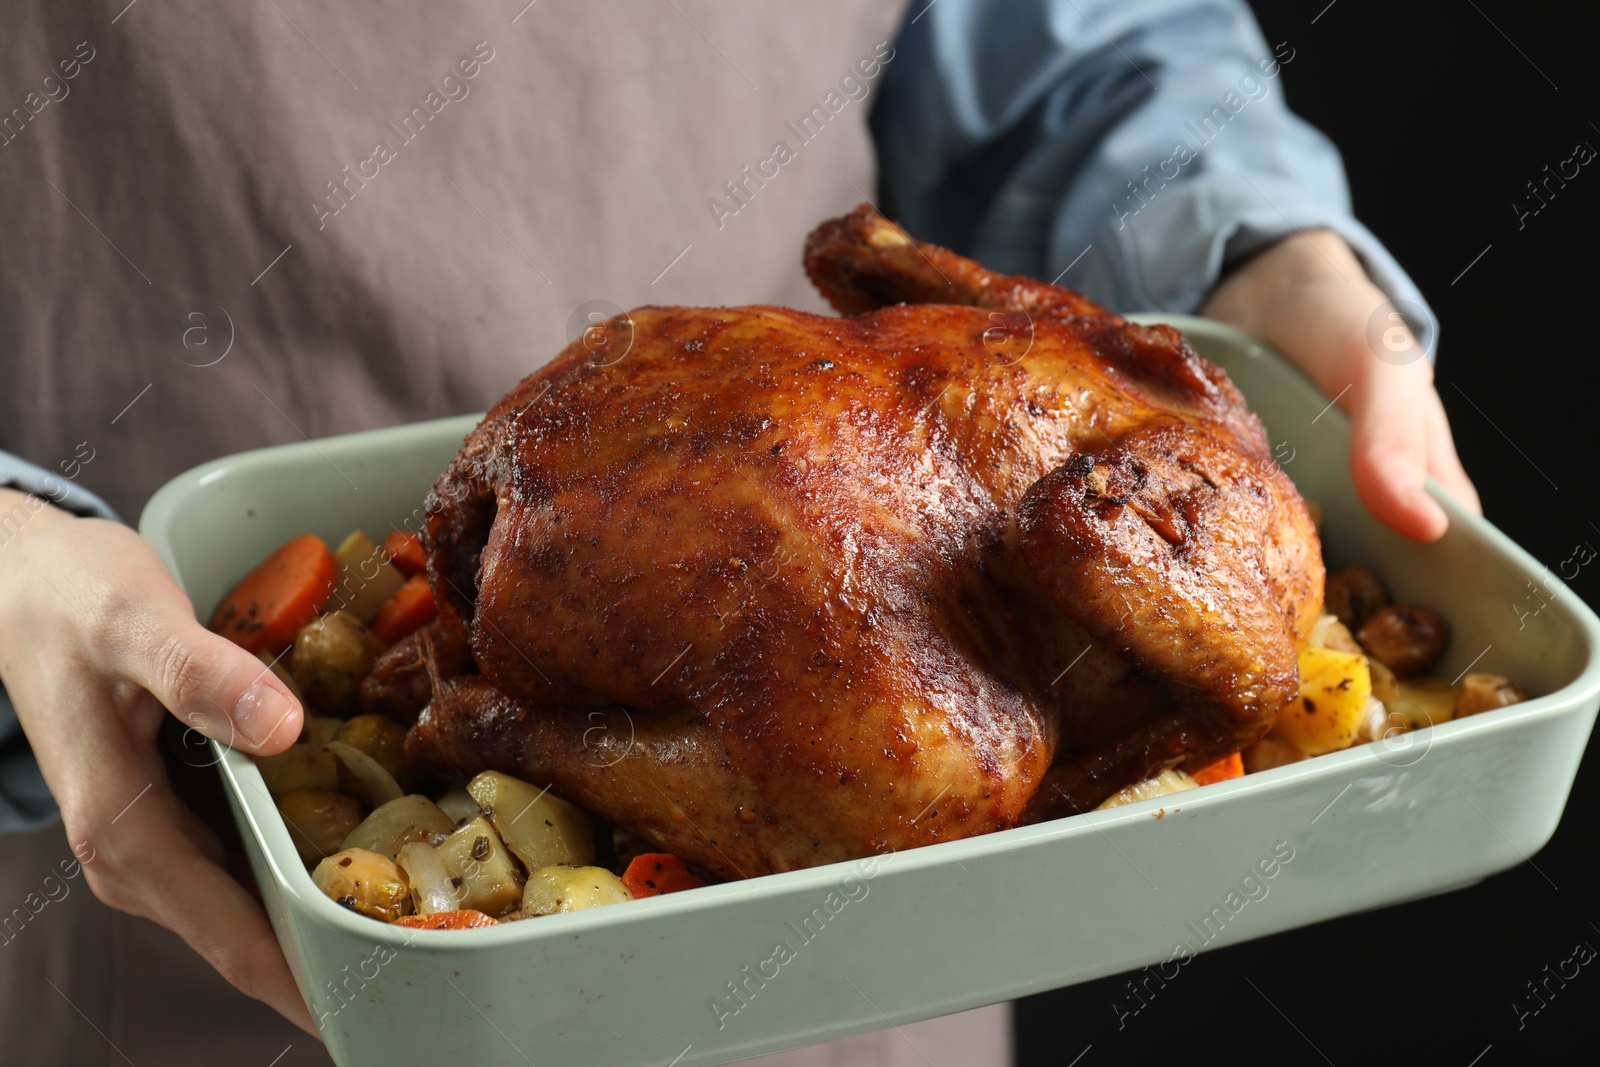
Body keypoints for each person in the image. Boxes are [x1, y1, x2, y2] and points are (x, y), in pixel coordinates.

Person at [0, 1, 1477, 1063]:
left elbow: (1070, 60)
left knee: (934, 760)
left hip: (862, 987)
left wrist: (1261, 247)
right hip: (178, 868)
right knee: (932, 759)